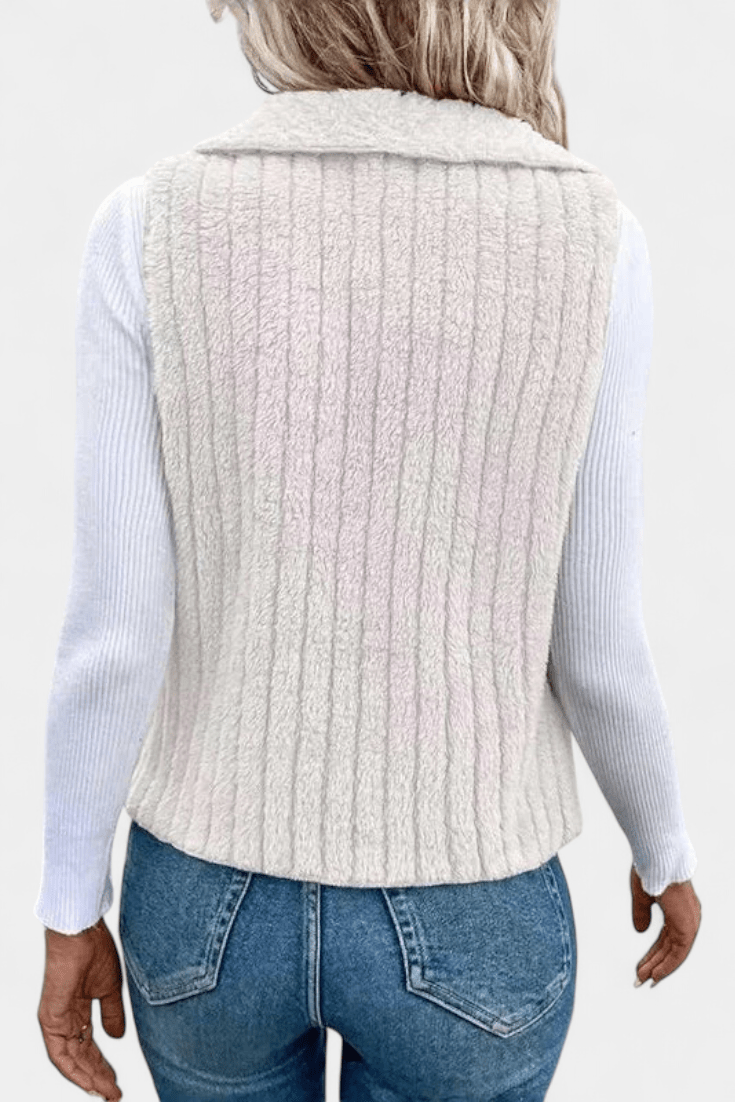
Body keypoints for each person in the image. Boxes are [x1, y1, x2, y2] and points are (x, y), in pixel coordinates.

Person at [36, 2, 702, 1100]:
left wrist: (69, 905)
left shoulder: (151, 226)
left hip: (205, 910)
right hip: (472, 900)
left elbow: (116, 631)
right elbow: (595, 638)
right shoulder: (594, 239)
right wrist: (662, 842)